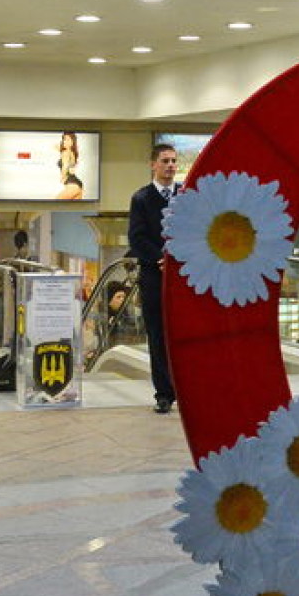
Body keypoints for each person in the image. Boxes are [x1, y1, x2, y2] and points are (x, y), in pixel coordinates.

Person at [127, 143, 179, 413]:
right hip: (154, 277)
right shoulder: (142, 199)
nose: (170, 166)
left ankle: (184, 387)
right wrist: (160, 259)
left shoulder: (186, 195)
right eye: (165, 161)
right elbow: (136, 238)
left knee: (181, 335)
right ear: (153, 165)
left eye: (173, 161)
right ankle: (164, 392)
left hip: (183, 279)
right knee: (157, 335)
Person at [56, 131, 84, 199]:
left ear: (72, 142)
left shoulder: (66, 153)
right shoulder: (72, 153)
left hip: (72, 184)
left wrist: (63, 177)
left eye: (68, 139)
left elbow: (65, 166)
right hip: (78, 185)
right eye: (64, 139)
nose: (65, 141)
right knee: (74, 209)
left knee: (54, 205)